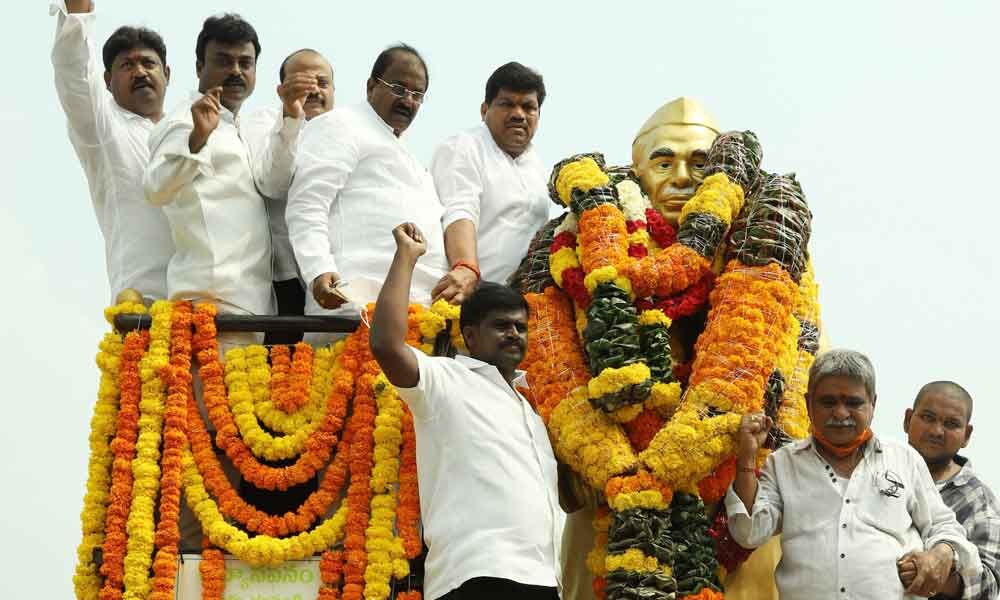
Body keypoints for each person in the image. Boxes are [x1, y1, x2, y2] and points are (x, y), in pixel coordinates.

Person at [370, 222, 563, 600]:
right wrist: (405, 258)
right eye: (500, 326)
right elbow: (386, 346)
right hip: (477, 574)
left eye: (520, 327)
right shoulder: (445, 380)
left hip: (546, 579)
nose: (513, 335)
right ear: (470, 336)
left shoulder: (532, 408)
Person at [726, 349, 980, 599]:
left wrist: (939, 555)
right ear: (808, 403)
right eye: (828, 402)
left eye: (853, 403)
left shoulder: (903, 458)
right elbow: (750, 532)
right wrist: (747, 454)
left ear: (873, 404)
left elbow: (944, 526)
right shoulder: (783, 463)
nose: (840, 413)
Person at [144, 14, 310, 317]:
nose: (236, 71)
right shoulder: (185, 120)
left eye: (245, 63)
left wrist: (290, 118)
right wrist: (196, 140)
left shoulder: (238, 127)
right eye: (224, 61)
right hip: (208, 304)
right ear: (198, 67)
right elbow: (156, 188)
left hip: (252, 306)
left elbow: (273, 183)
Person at [288, 44, 447, 326]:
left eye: (417, 94)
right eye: (398, 88)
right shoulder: (340, 125)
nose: (408, 101)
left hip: (417, 317)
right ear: (371, 86)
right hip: (355, 309)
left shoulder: (408, 153)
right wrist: (318, 269)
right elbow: (307, 204)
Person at [51, 0, 174, 302]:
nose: (140, 72)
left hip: (213, 307)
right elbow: (75, 75)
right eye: (127, 65)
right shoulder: (104, 129)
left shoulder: (189, 129)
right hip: (143, 306)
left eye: (148, 63)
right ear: (107, 81)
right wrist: (78, 14)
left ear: (167, 73)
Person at [430, 62, 550, 303]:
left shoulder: (537, 166)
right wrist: (465, 268)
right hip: (471, 304)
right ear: (484, 110)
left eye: (529, 107)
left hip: (525, 309)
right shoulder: (464, 146)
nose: (519, 114)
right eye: (507, 104)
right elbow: (459, 209)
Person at [248, 48, 336, 344]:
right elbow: (272, 184)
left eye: (322, 83)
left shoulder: (346, 132)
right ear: (281, 89)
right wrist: (291, 118)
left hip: (337, 279)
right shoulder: (263, 122)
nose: (314, 91)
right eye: (303, 83)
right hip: (284, 281)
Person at [904, 381, 1000, 599]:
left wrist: (936, 571)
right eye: (928, 417)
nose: (937, 431)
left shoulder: (979, 500)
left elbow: (990, 587)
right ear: (908, 420)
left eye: (951, 424)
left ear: (966, 434)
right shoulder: (877, 470)